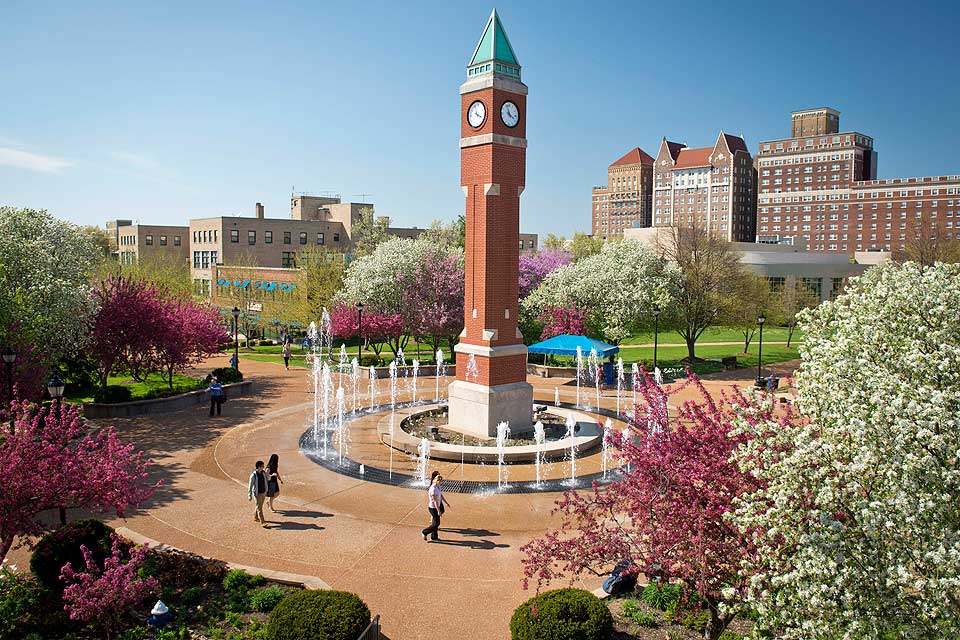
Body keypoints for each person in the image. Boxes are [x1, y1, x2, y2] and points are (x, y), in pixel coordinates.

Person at [421, 471, 450, 542]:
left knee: (435, 523)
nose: (441, 483)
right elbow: (435, 502)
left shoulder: (437, 486)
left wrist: (446, 503)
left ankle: (434, 537)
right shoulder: (433, 489)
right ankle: (424, 532)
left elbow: (440, 495)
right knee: (437, 523)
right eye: (440, 481)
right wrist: (438, 511)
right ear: (437, 481)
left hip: (436, 507)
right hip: (433, 508)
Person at [247, 460, 270, 527]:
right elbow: (250, 486)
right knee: (259, 508)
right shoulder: (253, 475)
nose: (263, 467)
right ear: (259, 467)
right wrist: (249, 495)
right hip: (257, 494)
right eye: (262, 466)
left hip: (263, 492)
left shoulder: (263, 473)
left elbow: (268, 479)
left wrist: (268, 474)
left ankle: (255, 517)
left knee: (259, 506)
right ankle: (262, 522)